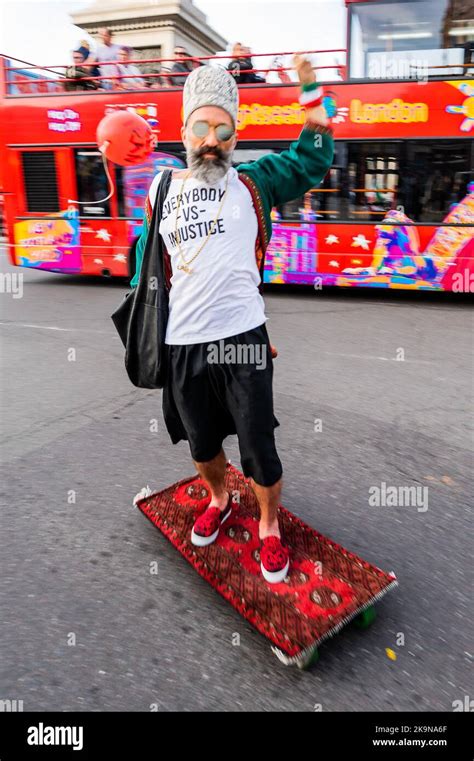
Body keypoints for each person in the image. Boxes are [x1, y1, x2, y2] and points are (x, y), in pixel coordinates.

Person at [129, 57, 333, 583]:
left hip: (243, 339)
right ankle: (219, 498)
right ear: (184, 132)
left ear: (235, 134)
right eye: (202, 127)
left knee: (257, 444)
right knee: (201, 441)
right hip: (182, 344)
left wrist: (309, 89)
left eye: (223, 129)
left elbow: (314, 157)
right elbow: (146, 261)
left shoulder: (255, 182)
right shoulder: (162, 189)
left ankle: (268, 528)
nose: (212, 140)